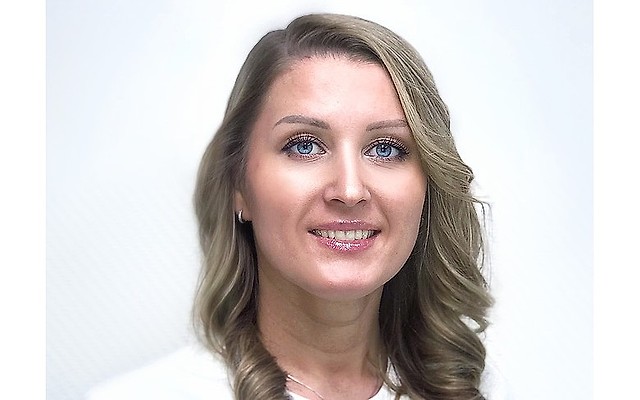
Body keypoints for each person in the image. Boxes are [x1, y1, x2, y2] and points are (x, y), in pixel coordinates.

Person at [88, 13, 506, 400]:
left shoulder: (470, 389)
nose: (350, 190)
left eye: (385, 148)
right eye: (304, 145)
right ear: (239, 185)